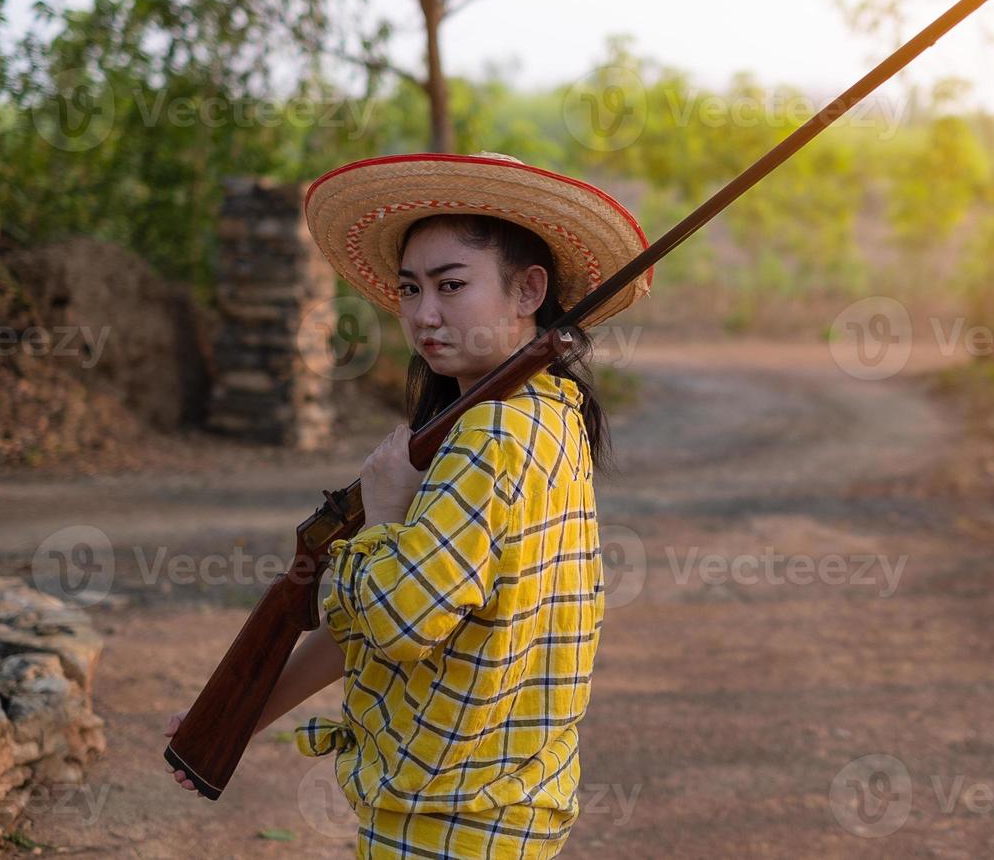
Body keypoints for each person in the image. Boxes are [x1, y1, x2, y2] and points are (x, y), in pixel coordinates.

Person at [166, 152, 653, 858]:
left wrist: (387, 516)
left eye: (452, 285)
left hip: (447, 818)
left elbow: (397, 621)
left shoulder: (489, 432)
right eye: (410, 289)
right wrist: (232, 719)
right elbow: (376, 617)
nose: (425, 315)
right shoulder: (551, 411)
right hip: (503, 805)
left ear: (528, 291)